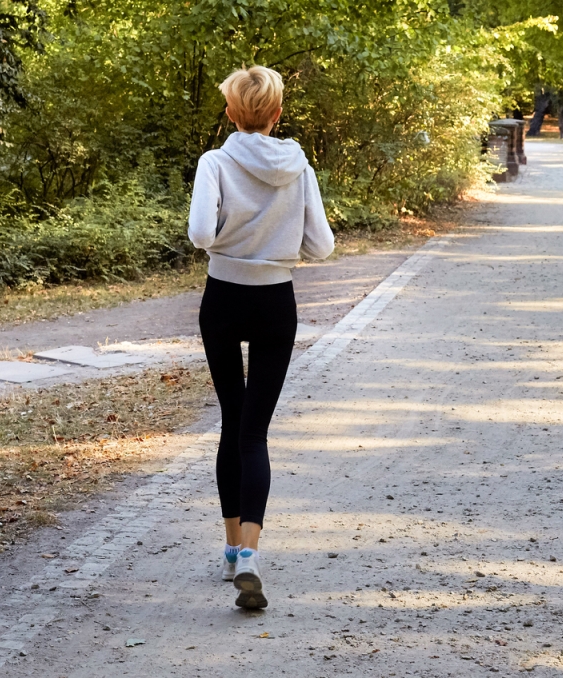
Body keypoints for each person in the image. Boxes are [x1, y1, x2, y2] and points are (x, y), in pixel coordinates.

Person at [188, 65, 335, 609]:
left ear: (231, 113)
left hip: (223, 298)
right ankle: (249, 553)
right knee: (256, 433)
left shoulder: (215, 163)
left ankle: (229, 550)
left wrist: (233, 240)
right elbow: (321, 247)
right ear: (276, 114)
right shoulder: (299, 168)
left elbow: (201, 233)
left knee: (231, 419)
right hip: (277, 303)